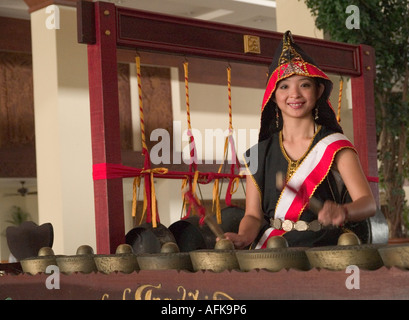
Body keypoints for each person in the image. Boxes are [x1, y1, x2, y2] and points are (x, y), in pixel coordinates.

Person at [225, 31, 376, 249]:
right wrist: (243, 236)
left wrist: (343, 211)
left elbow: (368, 204)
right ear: (273, 95)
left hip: (326, 248)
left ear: (318, 91)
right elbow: (253, 216)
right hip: (274, 249)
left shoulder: (337, 146)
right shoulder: (258, 154)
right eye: (284, 86)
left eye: (304, 85)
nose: (294, 94)